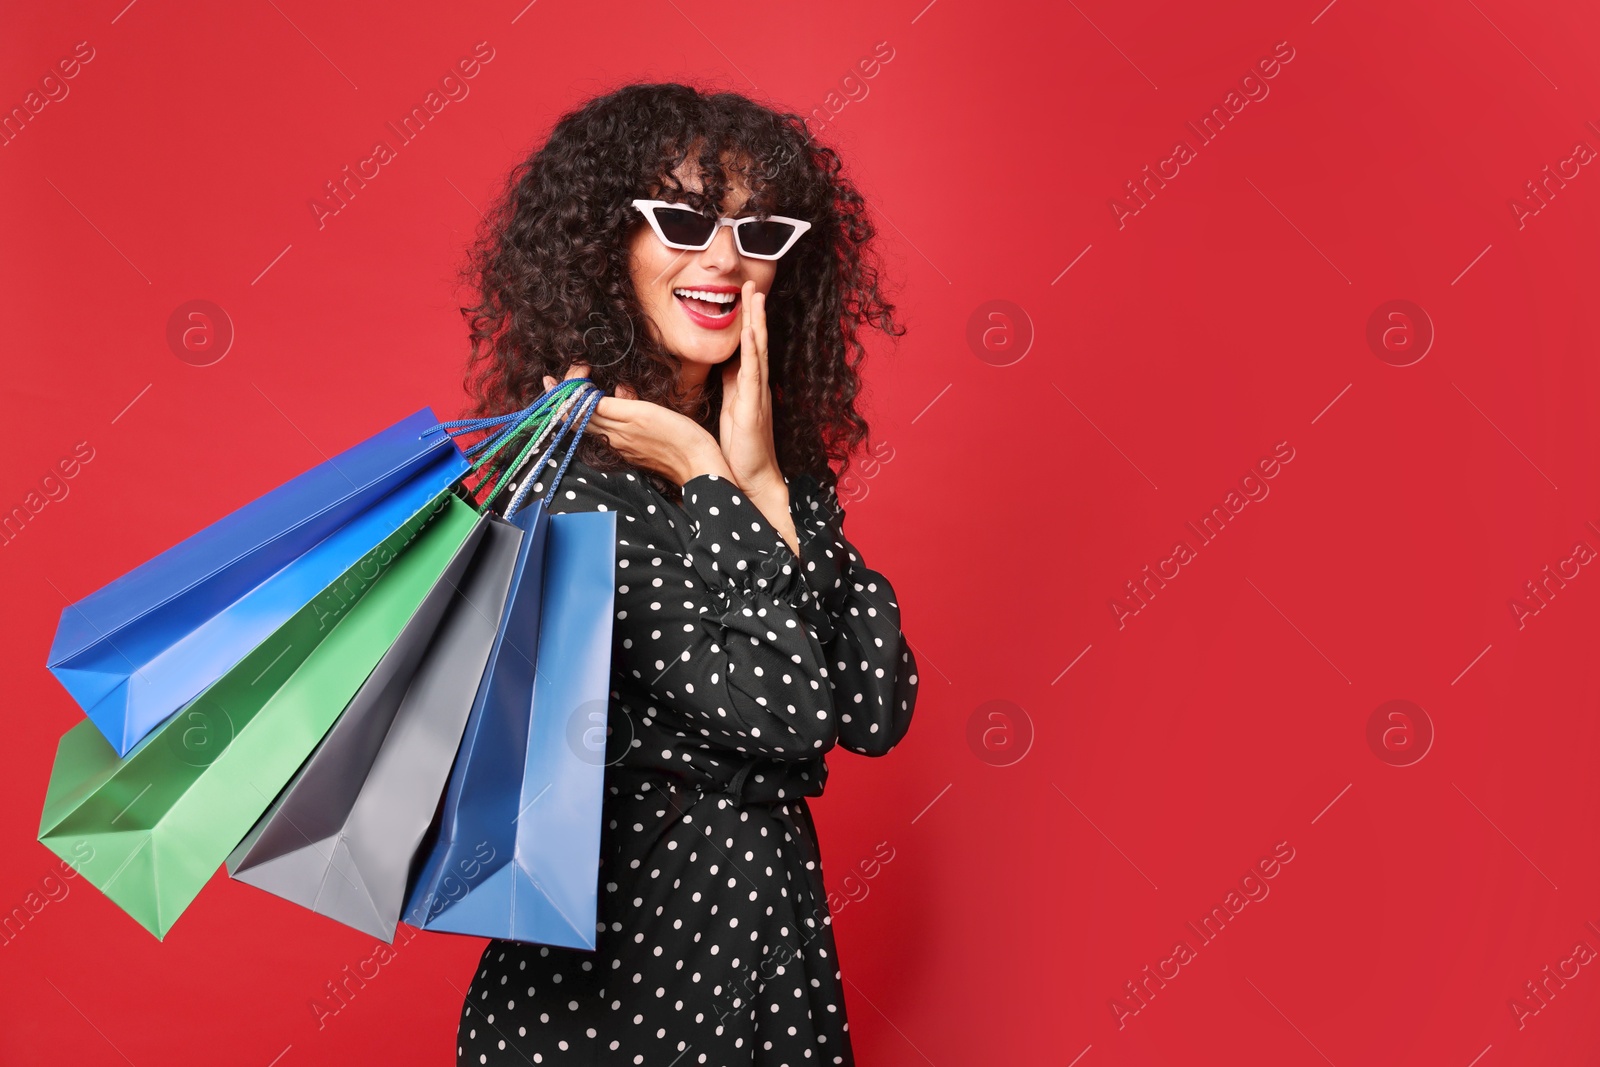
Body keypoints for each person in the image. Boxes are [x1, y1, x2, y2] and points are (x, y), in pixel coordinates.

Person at [452, 81, 919, 1066]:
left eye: (756, 231)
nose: (722, 257)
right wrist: (713, 478)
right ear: (600, 244)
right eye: (682, 219)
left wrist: (757, 480)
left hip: (772, 963)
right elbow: (791, 713)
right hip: (614, 994)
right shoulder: (565, 488)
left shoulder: (770, 464)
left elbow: (875, 708)